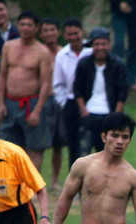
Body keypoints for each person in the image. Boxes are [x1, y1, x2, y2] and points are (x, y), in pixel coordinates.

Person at [0, 11, 54, 170]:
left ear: (36, 28)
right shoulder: (8, 46)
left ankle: (33, 190)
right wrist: (1, 103)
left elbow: (45, 84)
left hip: (32, 103)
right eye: (22, 24)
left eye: (29, 25)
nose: (25, 28)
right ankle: (13, 187)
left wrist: (37, 110)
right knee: (8, 147)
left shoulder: (42, 52)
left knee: (35, 148)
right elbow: (2, 76)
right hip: (10, 102)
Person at [73, 28, 128, 155]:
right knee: (84, 152)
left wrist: (117, 114)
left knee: (108, 154)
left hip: (109, 113)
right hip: (89, 112)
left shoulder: (118, 65)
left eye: (103, 44)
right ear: (92, 46)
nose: (100, 47)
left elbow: (122, 92)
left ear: (108, 45)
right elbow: (77, 89)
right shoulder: (84, 64)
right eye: (97, 44)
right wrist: (83, 111)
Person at [52, 18, 91, 168]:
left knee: (94, 142)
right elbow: (58, 84)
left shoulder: (92, 51)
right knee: (73, 144)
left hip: (92, 102)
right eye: (69, 34)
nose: (73, 37)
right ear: (65, 35)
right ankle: (74, 183)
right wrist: (64, 103)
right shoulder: (62, 55)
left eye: (76, 33)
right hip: (71, 102)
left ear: (82, 32)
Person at [39, 18, 66, 192]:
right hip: (41, 101)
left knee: (58, 144)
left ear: (58, 32)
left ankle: (55, 180)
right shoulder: (37, 52)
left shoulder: (63, 53)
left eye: (52, 29)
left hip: (60, 101)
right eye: (46, 30)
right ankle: (37, 181)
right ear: (41, 34)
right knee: (38, 144)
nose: (49, 33)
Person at [110, 0, 136, 92]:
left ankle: (131, 80)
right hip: (118, 11)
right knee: (119, 43)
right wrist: (119, 3)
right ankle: (114, 77)